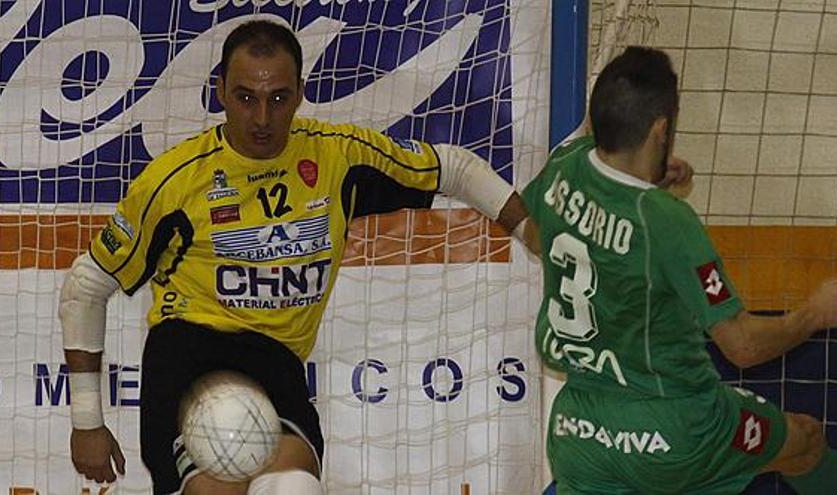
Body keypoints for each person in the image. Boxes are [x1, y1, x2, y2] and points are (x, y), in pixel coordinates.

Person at [58, 20, 533, 495]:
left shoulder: (336, 157)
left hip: (275, 364)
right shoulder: (175, 181)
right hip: (189, 357)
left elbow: (453, 167)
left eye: (279, 98)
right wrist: (86, 421)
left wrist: (532, 231)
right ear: (220, 91)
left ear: (301, 92)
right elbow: (86, 286)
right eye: (246, 97)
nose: (262, 117)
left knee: (295, 488)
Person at [521, 46, 837, 495]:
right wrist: (816, 313)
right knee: (803, 441)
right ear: (661, 129)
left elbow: (536, 235)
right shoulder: (666, 221)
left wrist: (643, 181)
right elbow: (742, 346)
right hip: (677, 430)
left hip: (579, 431)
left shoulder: (564, 166)